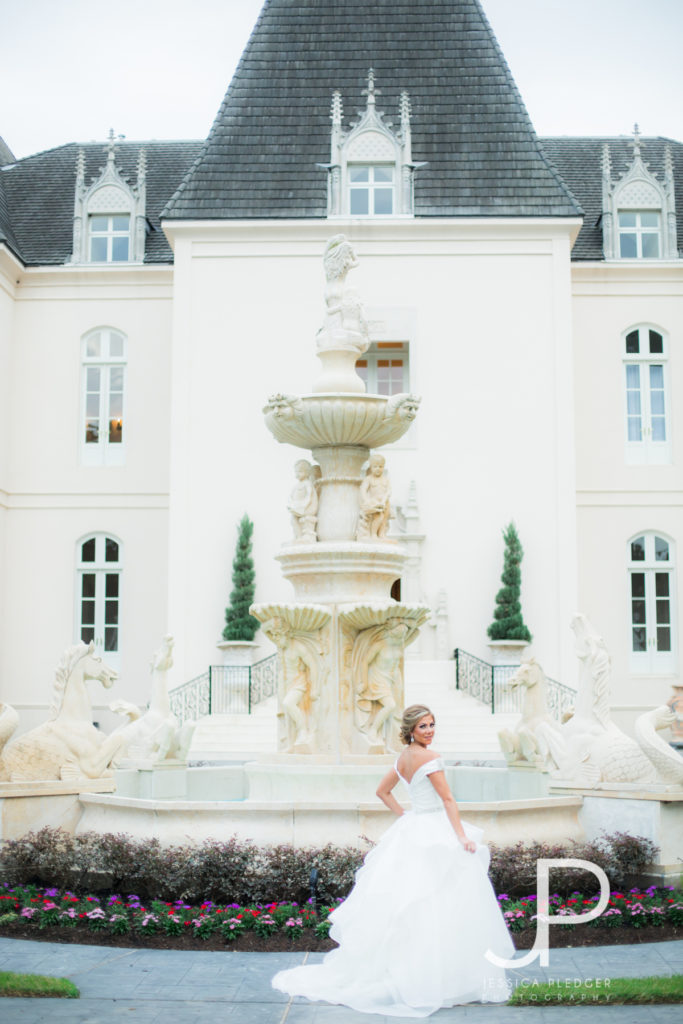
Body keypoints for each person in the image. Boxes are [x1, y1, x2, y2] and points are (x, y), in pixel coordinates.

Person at [272, 704, 515, 1016]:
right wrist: (461, 837)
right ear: (411, 730)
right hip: (435, 828)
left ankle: (414, 973)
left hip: (414, 829)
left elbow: (382, 792)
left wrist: (407, 817)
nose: (429, 730)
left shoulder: (404, 758)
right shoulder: (430, 757)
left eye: (432, 724)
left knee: (413, 902)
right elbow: (448, 800)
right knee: (438, 902)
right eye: (423, 726)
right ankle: (441, 978)